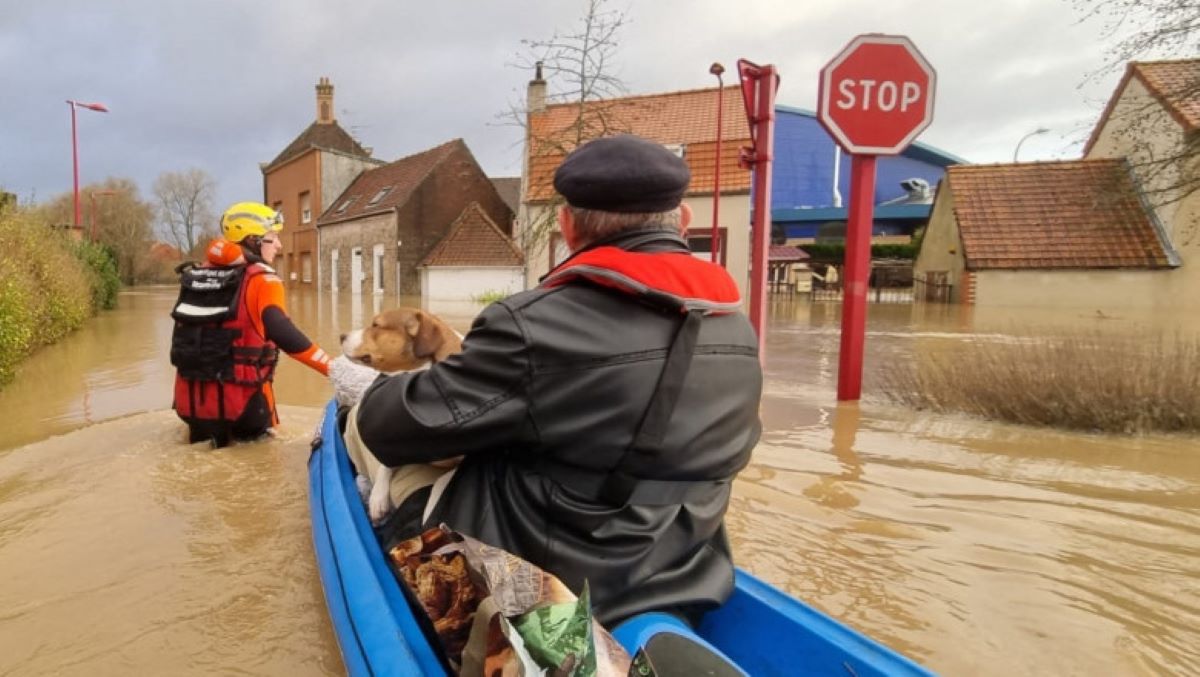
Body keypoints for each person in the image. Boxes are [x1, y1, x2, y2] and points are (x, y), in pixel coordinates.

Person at [346, 134, 763, 626]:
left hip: (547, 580)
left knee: (360, 428)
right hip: (684, 567)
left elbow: (388, 427)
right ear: (684, 222)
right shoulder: (737, 326)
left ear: (567, 226)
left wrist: (370, 390)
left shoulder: (530, 324)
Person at [171, 201, 331, 447]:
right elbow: (282, 332)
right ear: (253, 240)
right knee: (264, 466)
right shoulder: (263, 279)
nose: (278, 244)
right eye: (272, 237)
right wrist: (334, 369)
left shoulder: (197, 275)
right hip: (245, 407)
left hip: (193, 405)